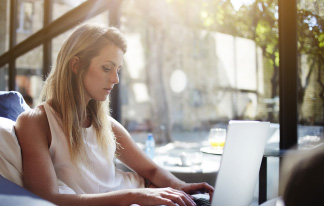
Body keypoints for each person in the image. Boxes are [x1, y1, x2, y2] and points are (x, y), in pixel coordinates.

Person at [14, 23, 213, 206]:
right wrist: (134, 196)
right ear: (75, 66)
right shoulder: (36, 123)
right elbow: (47, 198)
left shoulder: (105, 124)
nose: (115, 79)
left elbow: (151, 170)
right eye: (107, 68)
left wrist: (180, 186)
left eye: (118, 70)